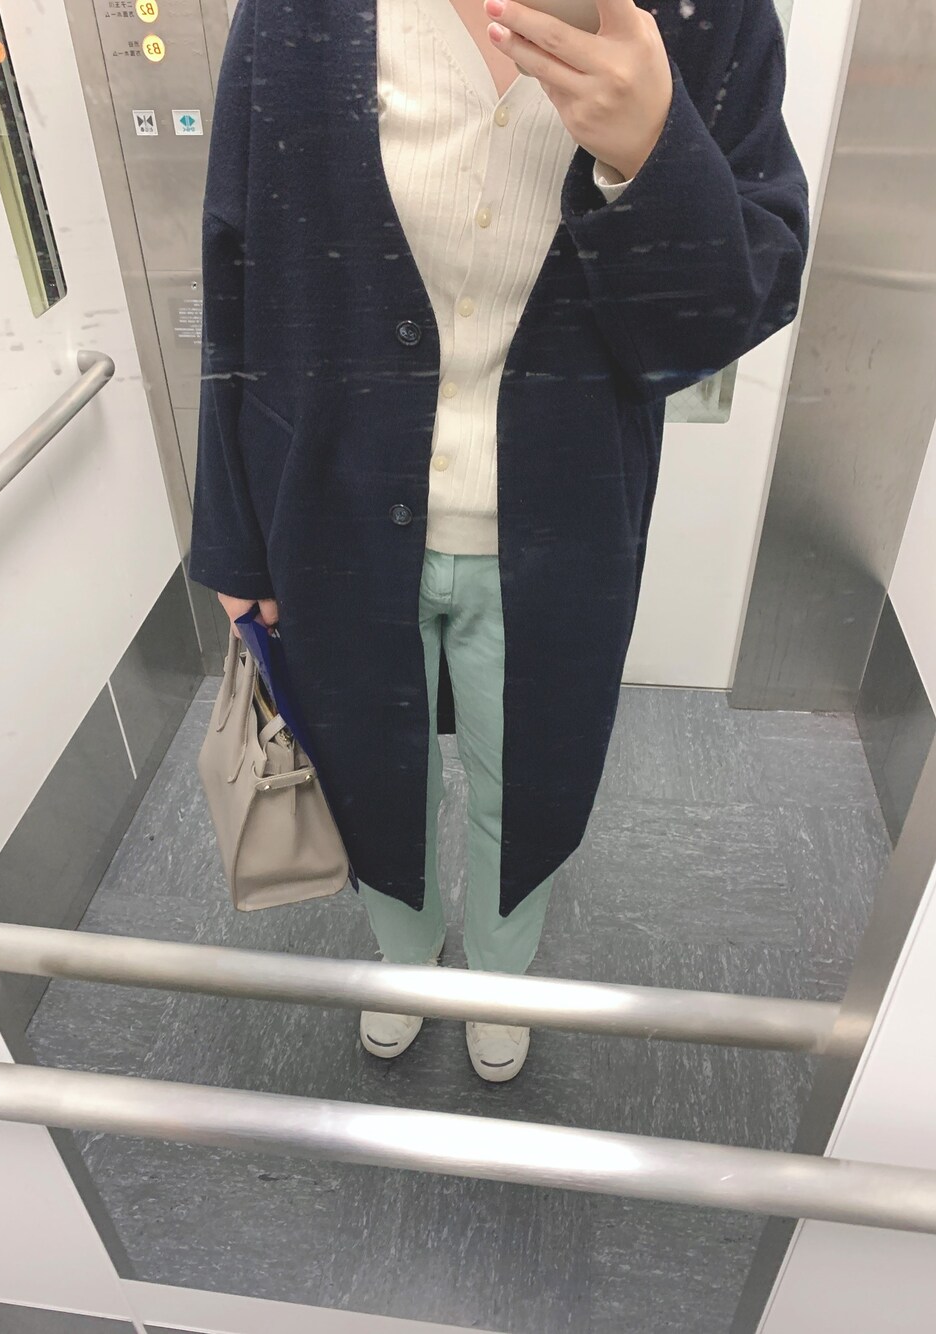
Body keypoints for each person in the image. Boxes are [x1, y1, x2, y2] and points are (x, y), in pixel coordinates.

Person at [189, 0, 810, 1082]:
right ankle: (407, 960)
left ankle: (500, 976)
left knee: (526, 782)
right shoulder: (296, 12)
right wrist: (234, 539)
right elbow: (233, 261)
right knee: (363, 768)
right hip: (330, 504)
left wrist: (650, 156)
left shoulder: (707, 20)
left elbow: (718, 320)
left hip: (564, 517)